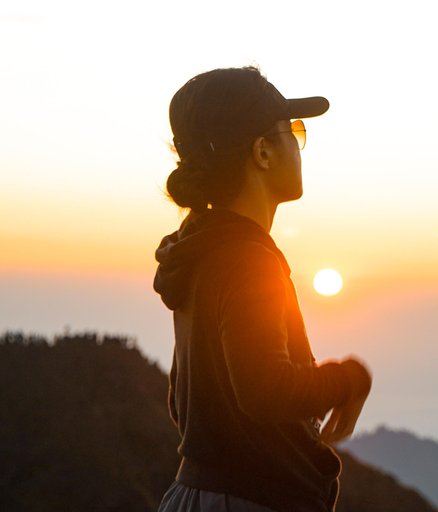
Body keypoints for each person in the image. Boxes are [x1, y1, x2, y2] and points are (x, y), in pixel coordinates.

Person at [153, 67, 372, 512]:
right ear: (263, 153)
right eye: (292, 130)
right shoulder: (247, 258)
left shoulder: (201, 249)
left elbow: (183, 400)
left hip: (192, 496)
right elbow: (263, 388)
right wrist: (349, 380)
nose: (299, 143)